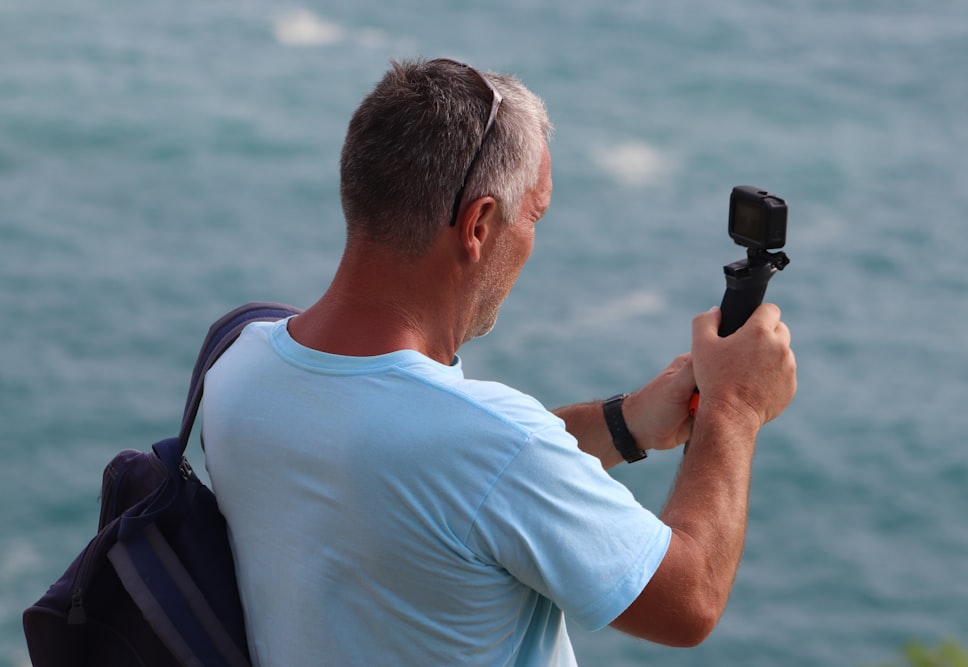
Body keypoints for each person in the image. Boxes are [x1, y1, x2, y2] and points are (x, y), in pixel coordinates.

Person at [203, 57, 796, 666]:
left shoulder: (237, 365)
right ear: (480, 224)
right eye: (534, 215)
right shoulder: (484, 446)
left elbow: (442, 484)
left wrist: (629, 423)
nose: (533, 239)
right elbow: (688, 600)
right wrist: (735, 404)